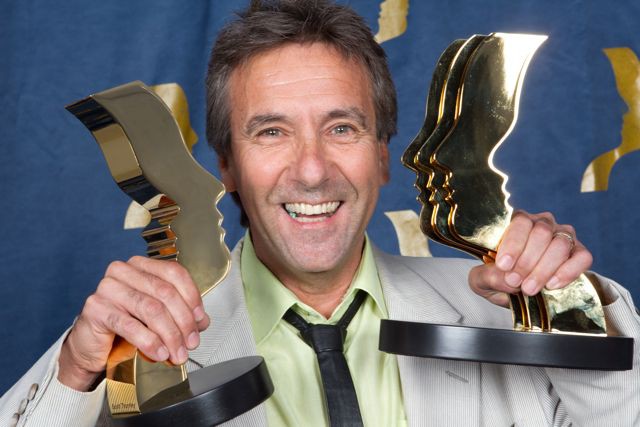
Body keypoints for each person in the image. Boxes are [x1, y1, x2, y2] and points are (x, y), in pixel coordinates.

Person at [1, 1, 639, 426]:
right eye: (271, 132)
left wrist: (569, 306)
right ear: (227, 168)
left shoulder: (499, 312)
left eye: (341, 128)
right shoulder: (135, 347)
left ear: (383, 157)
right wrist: (76, 372)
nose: (311, 170)